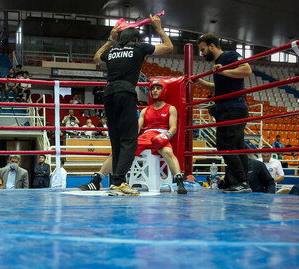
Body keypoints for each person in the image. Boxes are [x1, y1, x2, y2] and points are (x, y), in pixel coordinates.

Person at [94, 14, 173, 196]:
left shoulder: (112, 51)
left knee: (116, 141)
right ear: (136, 39)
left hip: (108, 95)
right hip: (125, 93)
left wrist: (110, 40)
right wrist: (159, 27)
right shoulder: (138, 47)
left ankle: (115, 183)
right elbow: (169, 47)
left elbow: (96, 58)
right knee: (130, 140)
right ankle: (119, 183)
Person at [78, 79, 188, 194]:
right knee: (118, 152)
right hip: (146, 136)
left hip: (162, 135)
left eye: (158, 88)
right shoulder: (145, 110)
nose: (155, 91)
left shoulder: (170, 108)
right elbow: (136, 129)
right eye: (153, 88)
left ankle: (180, 182)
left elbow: (174, 127)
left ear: (164, 90)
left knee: (168, 152)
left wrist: (166, 136)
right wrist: (127, 139)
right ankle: (96, 181)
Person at [195, 33, 253, 193]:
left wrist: (224, 71)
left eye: (203, 49)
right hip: (231, 108)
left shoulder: (229, 56)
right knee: (237, 146)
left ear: (212, 45)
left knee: (225, 146)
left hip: (233, 108)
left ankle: (242, 182)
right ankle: (240, 182)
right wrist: (200, 81)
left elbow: (247, 69)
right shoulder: (220, 64)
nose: (202, 53)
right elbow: (217, 89)